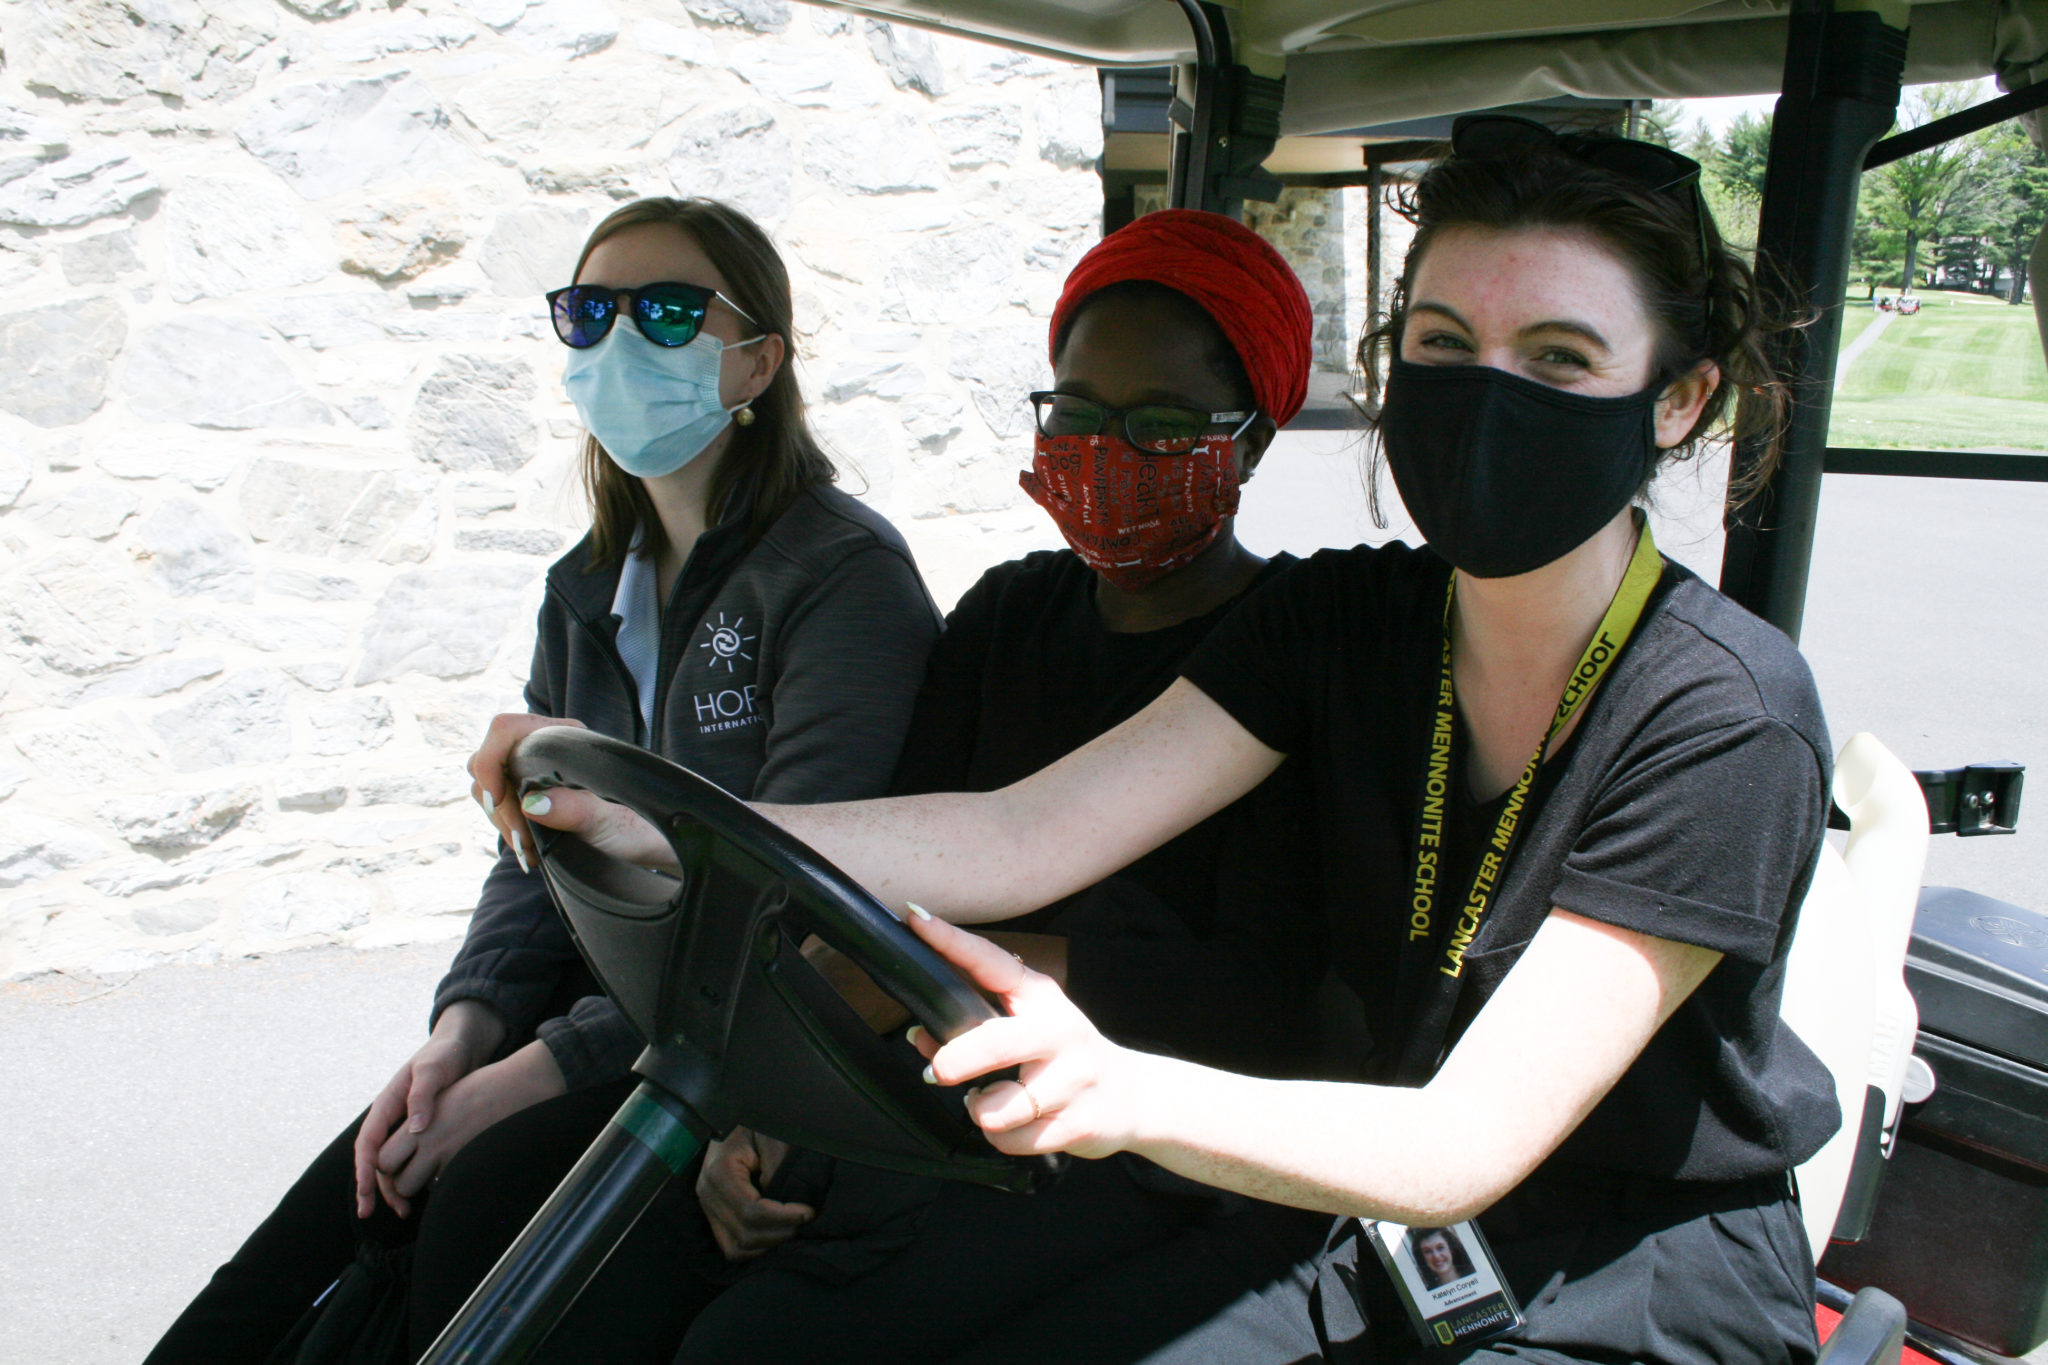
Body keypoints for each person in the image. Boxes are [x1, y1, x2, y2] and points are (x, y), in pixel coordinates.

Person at [484, 116, 1842, 1365]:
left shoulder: (1724, 716)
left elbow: (1459, 1141)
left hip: (1626, 1265)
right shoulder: (1343, 619)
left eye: (1558, 359)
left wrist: (1120, 1091)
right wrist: (649, 814)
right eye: (1440, 345)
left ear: (1676, 401)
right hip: (1360, 1215)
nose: (1488, 396)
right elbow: (1020, 834)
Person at [148, 197, 941, 1365]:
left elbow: (793, 897)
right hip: (594, 1007)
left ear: (757, 360)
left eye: (668, 311)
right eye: (589, 312)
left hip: (733, 1035)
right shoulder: (587, 589)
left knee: (470, 1196)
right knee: (324, 1218)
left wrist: (530, 1074)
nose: (622, 341)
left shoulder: (839, 579)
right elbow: (532, 850)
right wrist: (461, 1033)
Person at [670, 210, 1333, 1365]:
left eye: (1161, 425)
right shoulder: (1007, 616)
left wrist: (973, 974)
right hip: (929, 1096)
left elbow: (1266, 998)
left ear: (1251, 443)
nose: (1105, 452)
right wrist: (759, 1113)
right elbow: (882, 885)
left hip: (1150, 1145)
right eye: (1074, 415)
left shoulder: (1288, 659)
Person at [1410, 1227, 1475, 1290]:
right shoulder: (1427, 1295)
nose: (1436, 1256)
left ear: (1451, 1248)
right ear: (1422, 1258)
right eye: (1428, 1251)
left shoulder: (1476, 1276)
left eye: (1440, 1248)